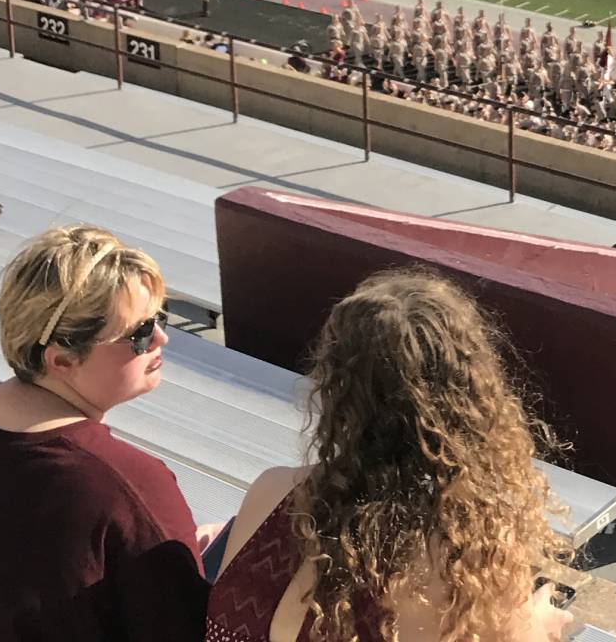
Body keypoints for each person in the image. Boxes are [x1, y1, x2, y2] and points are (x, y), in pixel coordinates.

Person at [0, 225, 206, 642]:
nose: (162, 337)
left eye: (160, 316)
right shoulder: (127, 485)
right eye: (139, 333)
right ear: (62, 360)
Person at [204, 269, 567, 642]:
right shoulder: (471, 557)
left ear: (334, 392)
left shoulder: (273, 492)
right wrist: (539, 626)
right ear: (470, 399)